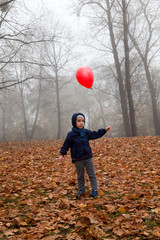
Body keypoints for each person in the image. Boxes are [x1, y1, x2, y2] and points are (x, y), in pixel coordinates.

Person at [59, 112, 111, 198]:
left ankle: (95, 189)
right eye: (79, 121)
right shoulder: (71, 135)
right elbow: (66, 145)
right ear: (74, 122)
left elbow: (95, 134)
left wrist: (104, 130)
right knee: (80, 175)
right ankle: (81, 190)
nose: (81, 123)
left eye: (83, 121)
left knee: (92, 174)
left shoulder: (86, 132)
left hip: (88, 157)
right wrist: (62, 154)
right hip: (77, 159)